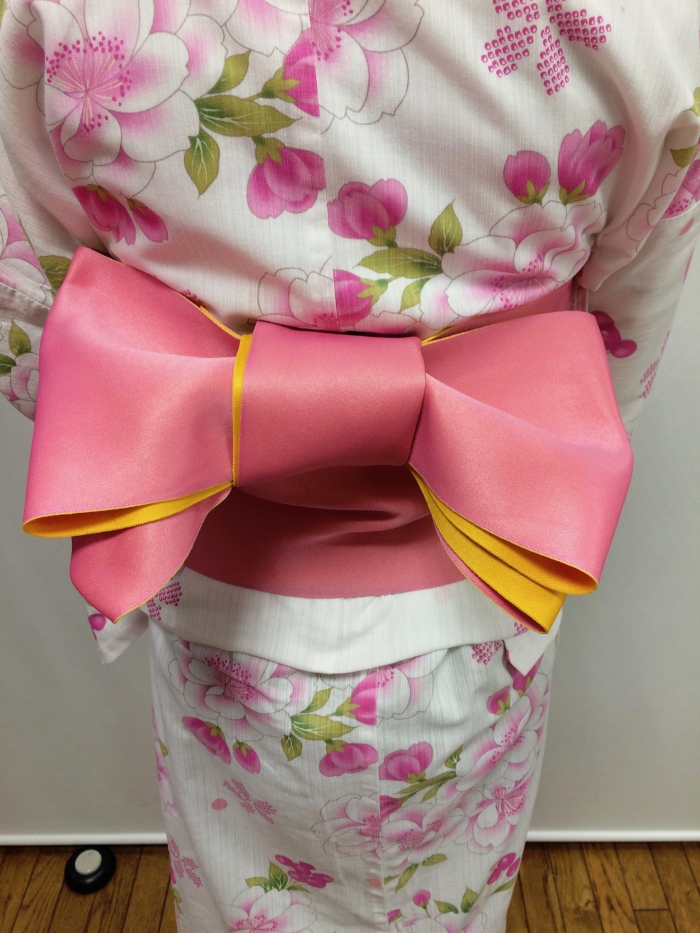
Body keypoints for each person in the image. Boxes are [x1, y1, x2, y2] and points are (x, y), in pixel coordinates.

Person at [0, 2, 698, 930]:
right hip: (477, 570)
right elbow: (620, 335)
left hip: (217, 581)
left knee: (231, 891)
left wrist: (211, 428)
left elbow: (37, 308)